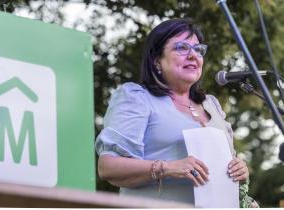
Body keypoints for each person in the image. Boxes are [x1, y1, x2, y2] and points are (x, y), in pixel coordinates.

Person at [95, 18, 258, 207]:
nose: (193, 55)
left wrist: (239, 169)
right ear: (157, 60)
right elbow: (108, 167)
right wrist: (168, 168)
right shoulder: (137, 98)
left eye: (198, 49)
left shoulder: (211, 104)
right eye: (182, 48)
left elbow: (226, 161)